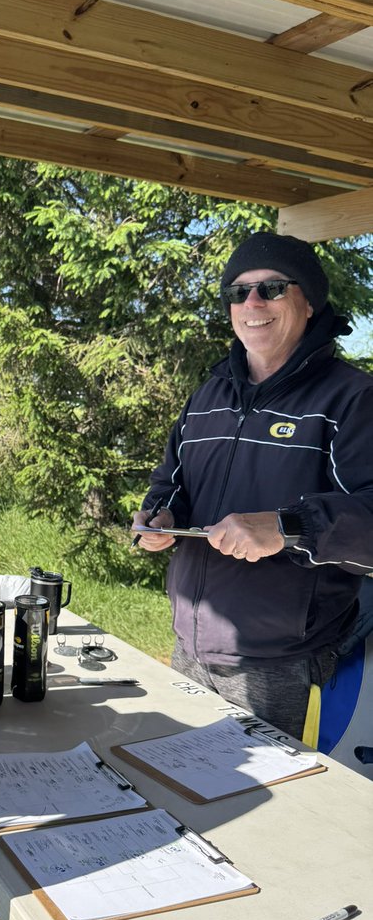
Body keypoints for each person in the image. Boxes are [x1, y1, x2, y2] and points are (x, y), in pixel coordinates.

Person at [133, 231, 373, 739]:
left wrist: (287, 527)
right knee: (187, 798)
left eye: (273, 288)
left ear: (308, 303)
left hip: (286, 665)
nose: (253, 303)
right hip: (189, 649)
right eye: (239, 292)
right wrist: (159, 519)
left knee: (273, 813)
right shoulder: (208, 396)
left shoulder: (352, 400)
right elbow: (169, 483)